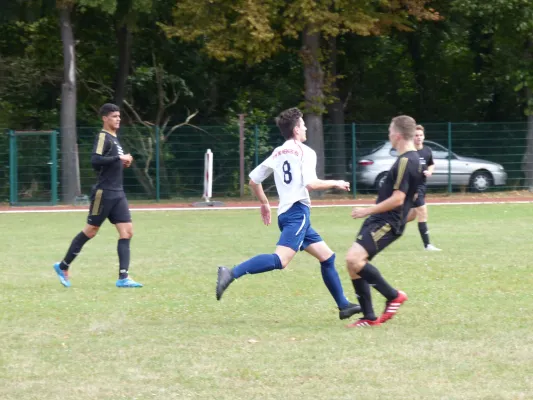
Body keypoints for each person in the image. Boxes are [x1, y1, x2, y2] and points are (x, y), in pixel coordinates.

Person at [216, 107, 362, 320]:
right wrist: (337, 182)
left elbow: (253, 180)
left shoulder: (278, 152)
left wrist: (265, 203)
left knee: (327, 257)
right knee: (281, 260)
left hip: (285, 214)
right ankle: (231, 272)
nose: (305, 129)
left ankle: (344, 306)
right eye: (302, 125)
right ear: (295, 130)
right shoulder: (305, 151)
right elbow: (311, 184)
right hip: (298, 213)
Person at [53, 103, 143, 288]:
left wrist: (122, 163)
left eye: (119, 116)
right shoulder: (103, 136)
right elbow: (95, 160)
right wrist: (119, 158)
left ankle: (123, 278)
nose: (118, 119)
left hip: (118, 193)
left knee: (127, 232)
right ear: (105, 118)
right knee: (91, 231)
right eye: (114, 116)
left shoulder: (115, 139)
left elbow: (109, 162)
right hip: (104, 193)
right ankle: (63, 266)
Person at [345, 115, 423, 327]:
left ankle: (393, 296)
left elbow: (398, 198)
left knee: (354, 260)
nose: (388, 135)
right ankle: (369, 318)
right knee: (353, 265)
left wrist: (366, 210)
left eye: (390, 131)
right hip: (383, 220)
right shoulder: (416, 160)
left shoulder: (406, 161)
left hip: (385, 221)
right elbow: (415, 202)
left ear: (397, 135)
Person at [405, 124, 441, 251]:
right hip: (413, 187)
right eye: (416, 135)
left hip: (422, 186)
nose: (418, 137)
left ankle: (392, 224)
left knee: (411, 216)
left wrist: (430, 171)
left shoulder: (427, 151)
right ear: (412, 137)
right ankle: (427, 245)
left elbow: (431, 164)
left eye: (420, 135)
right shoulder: (409, 153)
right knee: (423, 212)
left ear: (424, 136)